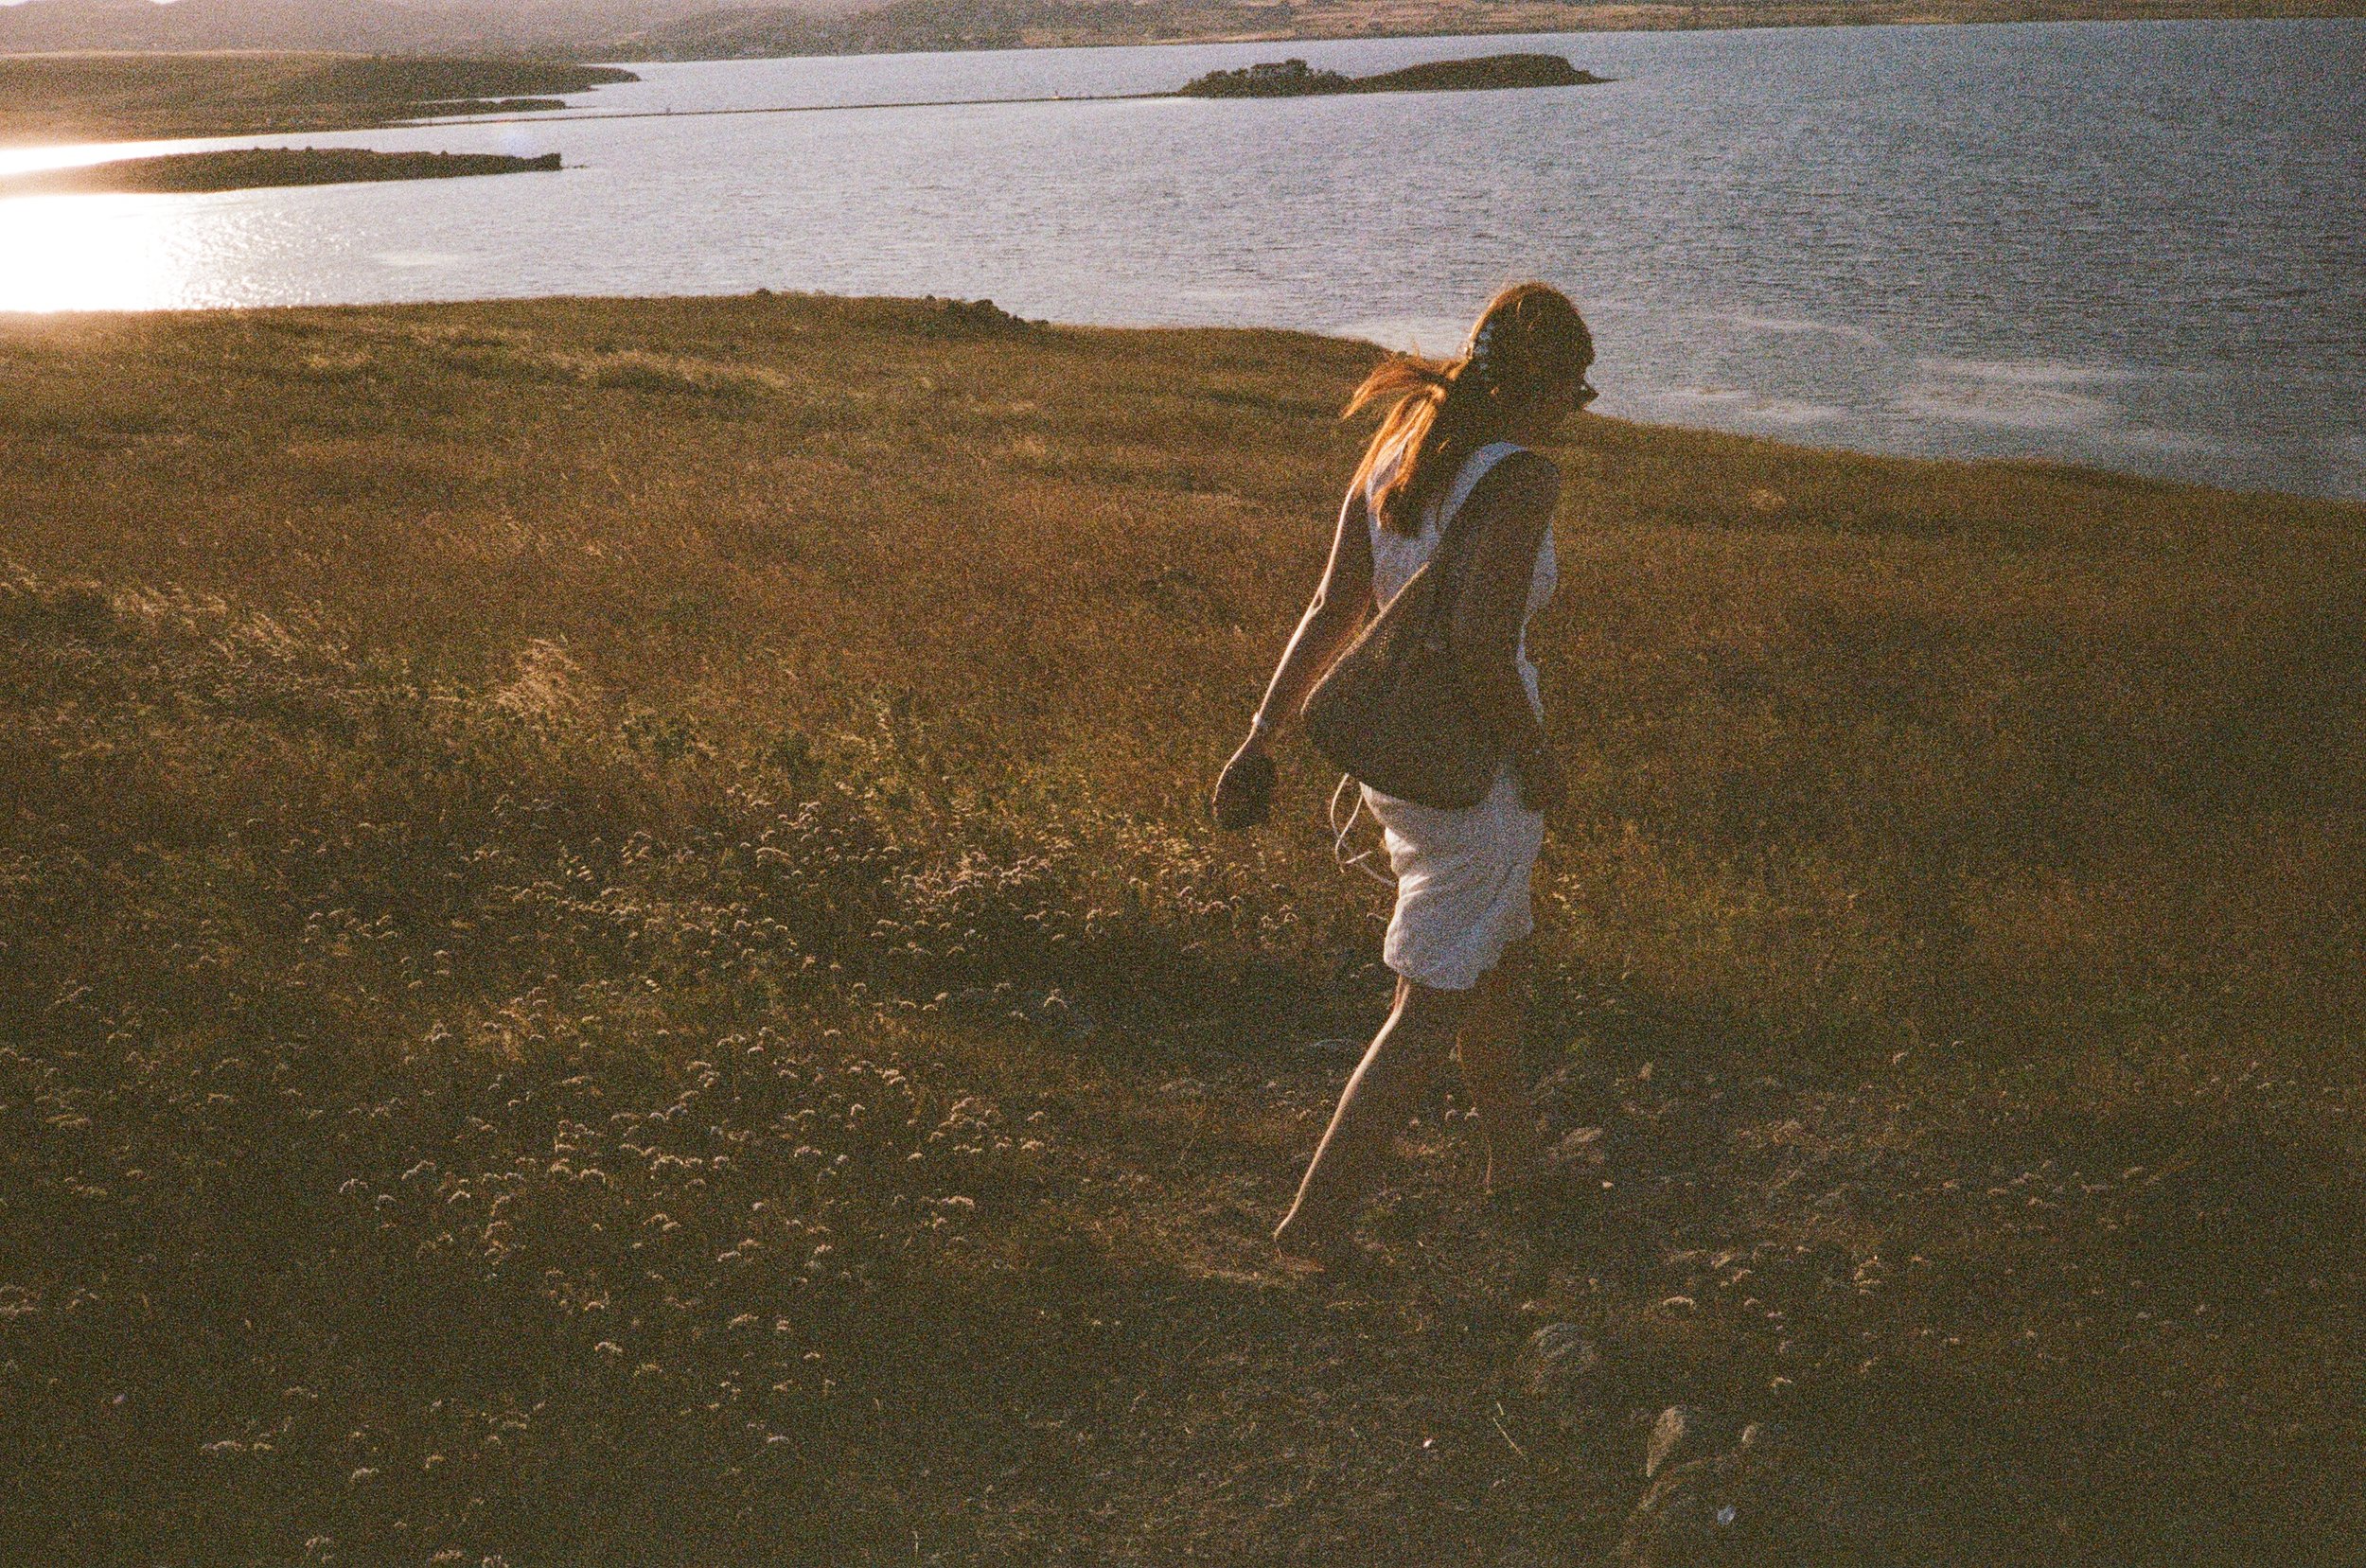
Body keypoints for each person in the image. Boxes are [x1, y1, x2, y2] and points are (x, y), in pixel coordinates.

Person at [1210, 281, 1598, 1271]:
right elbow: (1477, 643)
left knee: (1494, 961)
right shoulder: (1519, 479)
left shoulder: (1400, 440)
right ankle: (1314, 1227)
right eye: (1577, 389)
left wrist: (1261, 733)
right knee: (1426, 1003)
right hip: (1477, 773)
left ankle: (1514, 1165)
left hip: (1401, 761)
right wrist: (1539, 757)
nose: (1577, 409)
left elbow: (1331, 604)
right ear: (1543, 385)